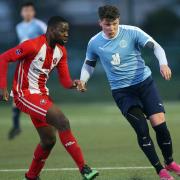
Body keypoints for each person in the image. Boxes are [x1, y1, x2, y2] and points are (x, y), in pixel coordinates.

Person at [79, 5, 180, 180]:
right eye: (107, 24)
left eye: (114, 24)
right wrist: (83, 80)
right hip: (122, 92)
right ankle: (160, 171)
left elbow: (156, 47)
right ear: (100, 23)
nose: (111, 28)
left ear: (119, 21)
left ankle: (169, 162)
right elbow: (89, 63)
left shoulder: (132, 32)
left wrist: (163, 63)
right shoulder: (94, 42)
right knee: (142, 130)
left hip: (144, 85)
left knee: (160, 125)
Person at [0, 16, 99, 180]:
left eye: (68, 31)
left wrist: (75, 84)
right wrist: (2, 86)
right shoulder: (31, 45)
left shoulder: (61, 51)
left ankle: (31, 176)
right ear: (51, 30)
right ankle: (84, 169)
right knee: (62, 121)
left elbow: (65, 81)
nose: (66, 34)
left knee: (48, 140)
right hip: (24, 94)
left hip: (41, 95)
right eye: (62, 30)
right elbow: (4, 58)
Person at [9, 1, 47, 140]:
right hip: (24, 62)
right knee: (19, 92)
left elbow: (49, 39)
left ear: (33, 12)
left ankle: (45, 119)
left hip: (36, 63)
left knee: (31, 91)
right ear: (21, 12)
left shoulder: (40, 25)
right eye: (25, 11)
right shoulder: (19, 26)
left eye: (30, 11)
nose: (27, 13)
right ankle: (16, 125)